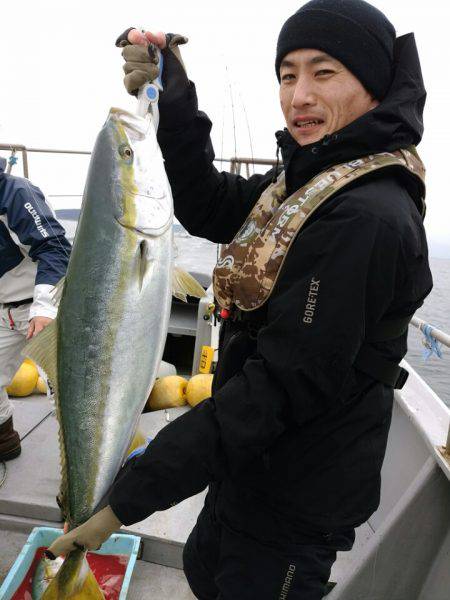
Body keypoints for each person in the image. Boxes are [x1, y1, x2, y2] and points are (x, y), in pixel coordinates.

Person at [46, 1, 432, 598]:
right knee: (205, 573)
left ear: (375, 86)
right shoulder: (305, 181)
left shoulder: (368, 217)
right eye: (287, 74)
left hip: (297, 500)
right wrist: (172, 94)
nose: (298, 95)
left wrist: (128, 497)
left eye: (323, 72)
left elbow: (279, 388)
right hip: (244, 469)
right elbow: (204, 202)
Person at [0, 157, 71, 461]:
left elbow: (55, 249)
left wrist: (44, 309)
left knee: (67, 392)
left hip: (42, 306)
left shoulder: (15, 193)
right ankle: (4, 438)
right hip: (3, 312)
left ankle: (93, 466)